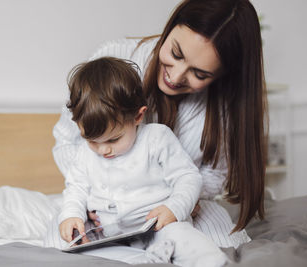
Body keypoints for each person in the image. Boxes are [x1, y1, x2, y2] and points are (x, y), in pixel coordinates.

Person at [52, 0, 266, 249]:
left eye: (200, 74)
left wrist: (181, 200)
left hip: (177, 206)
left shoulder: (221, 108)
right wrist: (96, 197)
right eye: (175, 54)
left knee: (213, 248)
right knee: (63, 242)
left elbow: (213, 174)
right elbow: (69, 143)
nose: (175, 77)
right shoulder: (114, 57)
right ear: (169, 28)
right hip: (102, 210)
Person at [55, 57, 228, 267]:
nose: (103, 149)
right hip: (110, 236)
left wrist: (175, 208)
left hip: (157, 226)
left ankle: (214, 263)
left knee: (184, 237)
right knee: (70, 249)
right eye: (92, 141)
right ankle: (147, 260)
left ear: (138, 117)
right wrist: (72, 215)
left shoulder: (157, 138)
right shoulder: (84, 153)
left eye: (113, 139)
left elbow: (189, 177)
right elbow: (76, 188)